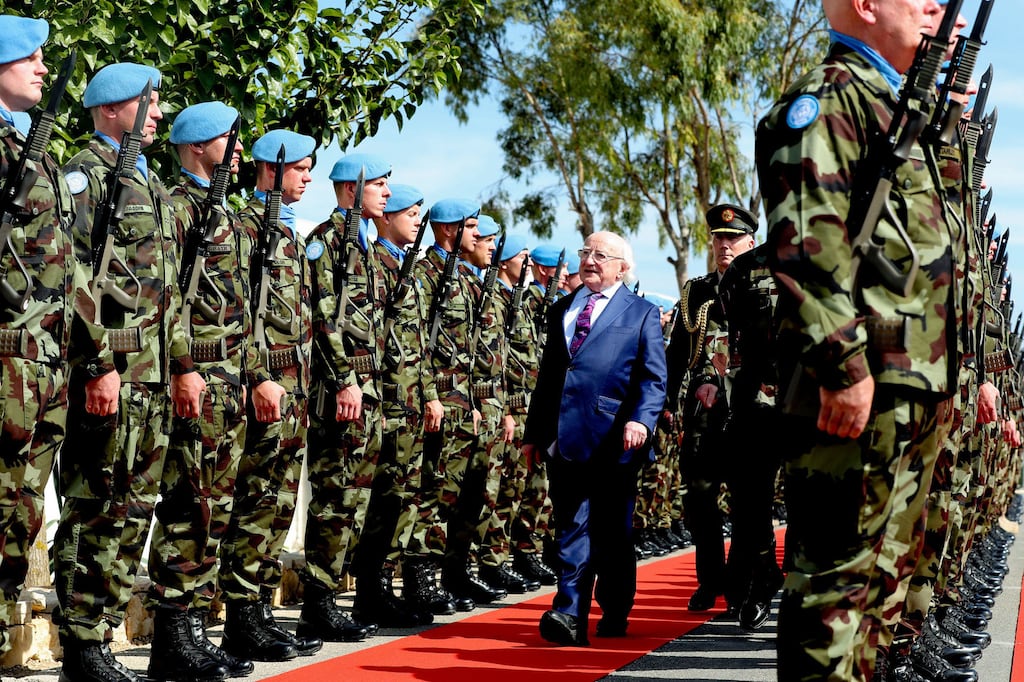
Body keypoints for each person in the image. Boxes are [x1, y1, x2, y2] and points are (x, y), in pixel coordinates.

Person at [755, 1, 962, 678]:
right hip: (863, 389)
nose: (935, 8)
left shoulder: (896, 111)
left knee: (879, 595)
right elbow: (805, 246)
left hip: (908, 386)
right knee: (835, 591)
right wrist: (844, 366)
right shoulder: (832, 102)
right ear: (867, 6)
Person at [53, 61, 207, 682]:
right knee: (95, 505)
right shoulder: (84, 178)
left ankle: (104, 639)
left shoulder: (155, 190)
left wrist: (182, 368)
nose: (162, 114)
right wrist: (97, 363)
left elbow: (165, 293)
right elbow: (74, 280)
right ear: (115, 108)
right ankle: (83, 647)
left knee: (135, 507)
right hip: (110, 376)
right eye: (152, 101)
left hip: (151, 382)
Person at [0, 14, 114, 666]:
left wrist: (95, 357)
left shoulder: (34, 151)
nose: (45, 68)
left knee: (22, 518)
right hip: (7, 361)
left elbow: (71, 270)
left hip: (42, 369)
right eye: (31, 57)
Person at [143, 101, 256, 679]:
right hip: (199, 377)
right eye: (227, 140)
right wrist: (185, 366)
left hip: (230, 377)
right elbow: (168, 298)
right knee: (189, 503)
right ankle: (172, 634)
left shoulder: (223, 211)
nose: (238, 150)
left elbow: (240, 310)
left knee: (215, 506)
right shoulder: (177, 206)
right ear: (195, 146)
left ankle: (192, 628)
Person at [523, 231, 666, 647]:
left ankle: (616, 606)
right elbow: (549, 378)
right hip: (565, 437)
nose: (590, 260)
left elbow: (654, 379)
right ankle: (569, 614)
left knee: (612, 534)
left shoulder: (642, 313)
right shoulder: (562, 309)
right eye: (586, 252)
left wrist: (641, 420)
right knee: (570, 527)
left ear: (623, 267)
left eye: (601, 255)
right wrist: (535, 434)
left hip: (616, 442)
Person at [217, 129, 323, 663]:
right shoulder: (245, 227)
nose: (308, 178)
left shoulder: (289, 231)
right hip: (266, 387)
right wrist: (259, 375)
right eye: (301, 168)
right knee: (255, 500)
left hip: (295, 388)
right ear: (271, 169)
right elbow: (241, 312)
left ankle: (256, 608)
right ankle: (240, 616)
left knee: (277, 504)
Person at [301, 152, 394, 636]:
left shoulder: (369, 247)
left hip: (369, 390)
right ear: (350, 189)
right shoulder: (327, 242)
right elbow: (323, 317)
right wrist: (343, 379)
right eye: (379, 184)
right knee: (335, 496)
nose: (387, 194)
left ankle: (335, 596)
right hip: (343, 391)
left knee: (356, 499)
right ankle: (317, 602)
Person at [665, 203, 756, 614]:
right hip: (701, 412)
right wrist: (665, 402)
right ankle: (709, 581)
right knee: (700, 499)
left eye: (733, 238)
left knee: (743, 499)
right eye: (720, 238)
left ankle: (739, 585)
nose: (725, 245)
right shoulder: (697, 290)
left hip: (746, 409)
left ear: (750, 242)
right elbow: (676, 353)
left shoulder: (761, 286)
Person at [366, 183, 447, 622]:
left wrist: (430, 395)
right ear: (387, 218)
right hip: (388, 403)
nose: (418, 221)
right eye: (410, 213)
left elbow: (419, 346)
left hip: (412, 402)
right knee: (384, 500)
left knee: (402, 499)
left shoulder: (406, 268)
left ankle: (384, 586)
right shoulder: (376, 265)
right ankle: (372, 590)